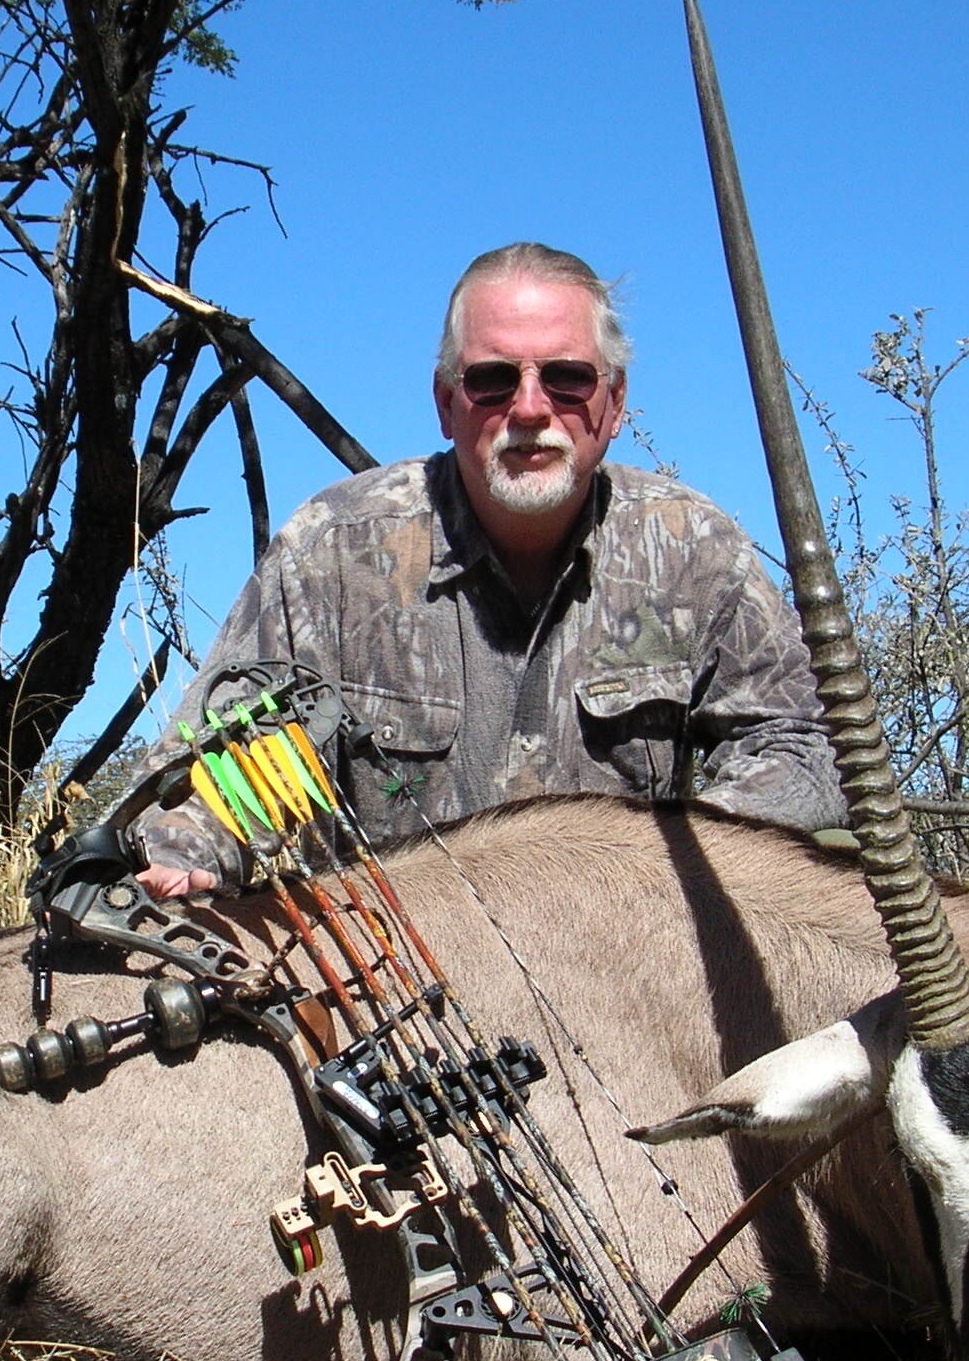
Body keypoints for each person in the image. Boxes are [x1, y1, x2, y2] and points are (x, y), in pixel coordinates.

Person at [132, 242, 841, 897]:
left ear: (616, 403)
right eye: (492, 381)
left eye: (567, 379)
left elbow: (805, 746)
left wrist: (663, 863)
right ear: (446, 403)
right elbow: (216, 774)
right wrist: (184, 855)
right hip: (405, 986)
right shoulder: (332, 553)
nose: (530, 408)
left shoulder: (692, 548)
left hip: (628, 952)